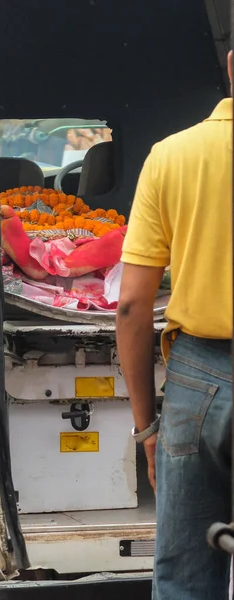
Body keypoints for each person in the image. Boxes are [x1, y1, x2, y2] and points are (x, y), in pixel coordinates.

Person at [116, 52, 233, 600]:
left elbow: (133, 307)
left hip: (200, 381)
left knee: (186, 581)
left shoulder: (172, 157)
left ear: (232, 66)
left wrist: (146, 432)